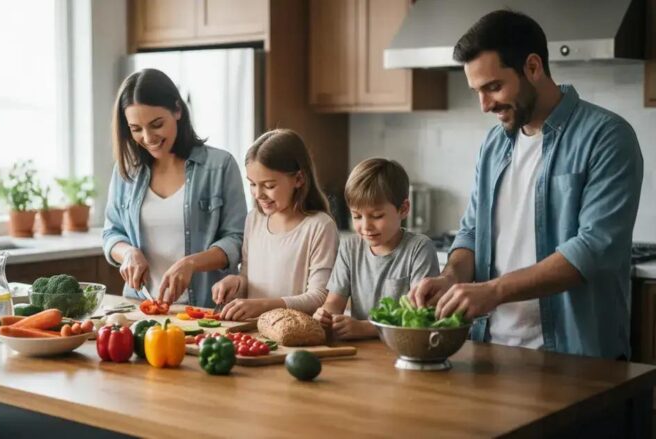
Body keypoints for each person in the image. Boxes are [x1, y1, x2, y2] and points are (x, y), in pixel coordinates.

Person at [408, 10, 643, 358]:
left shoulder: (606, 136)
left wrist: (494, 291)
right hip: (491, 351)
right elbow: (472, 232)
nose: (485, 105)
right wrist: (451, 277)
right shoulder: (494, 145)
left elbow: (593, 249)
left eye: (493, 87)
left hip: (577, 360)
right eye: (477, 91)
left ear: (533, 68)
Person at [103, 68, 247, 307]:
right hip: (141, 307)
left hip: (204, 310)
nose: (148, 137)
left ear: (178, 110)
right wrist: (128, 253)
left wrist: (191, 263)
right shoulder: (126, 171)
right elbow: (111, 233)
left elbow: (237, 239)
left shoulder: (220, 166)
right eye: (136, 128)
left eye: (156, 124)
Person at [211, 129, 339, 320]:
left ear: (298, 179)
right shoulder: (254, 219)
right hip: (255, 335)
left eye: (269, 186)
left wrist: (263, 306)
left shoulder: (320, 226)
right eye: (253, 184)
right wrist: (237, 282)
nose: (258, 194)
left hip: (295, 337)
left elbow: (319, 297)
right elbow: (248, 277)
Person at [313, 158, 439, 340]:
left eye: (377, 216)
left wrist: (367, 328)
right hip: (360, 352)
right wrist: (325, 315)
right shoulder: (350, 247)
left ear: (403, 209)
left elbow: (420, 316)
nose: (366, 226)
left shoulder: (419, 248)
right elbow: (334, 301)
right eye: (356, 216)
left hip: (404, 348)